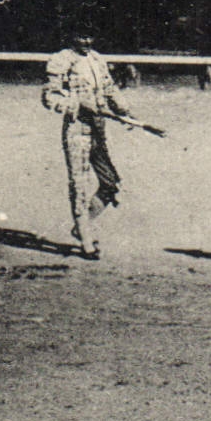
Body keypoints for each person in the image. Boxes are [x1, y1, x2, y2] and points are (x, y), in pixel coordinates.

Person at [41, 25, 140, 259]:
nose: (86, 41)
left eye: (89, 36)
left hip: (98, 129)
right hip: (77, 129)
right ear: (71, 36)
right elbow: (50, 96)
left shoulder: (97, 59)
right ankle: (86, 239)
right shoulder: (61, 60)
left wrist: (125, 112)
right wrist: (77, 104)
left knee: (110, 183)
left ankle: (80, 227)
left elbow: (109, 89)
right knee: (79, 184)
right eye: (81, 37)